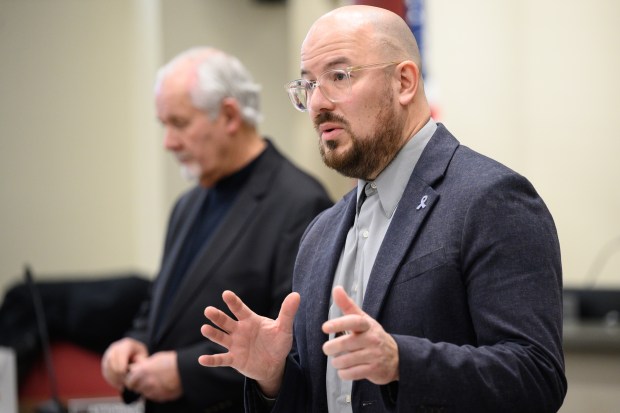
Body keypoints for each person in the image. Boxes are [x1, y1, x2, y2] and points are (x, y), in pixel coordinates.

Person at [198, 5, 567, 413]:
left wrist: (400, 362)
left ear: (404, 81)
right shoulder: (320, 232)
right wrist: (274, 377)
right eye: (308, 84)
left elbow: (537, 377)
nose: (318, 103)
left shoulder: (491, 199)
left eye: (339, 76)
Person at [100, 47, 332, 413]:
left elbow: (290, 342)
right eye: (164, 125)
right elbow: (163, 303)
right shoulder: (188, 204)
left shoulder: (300, 203)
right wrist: (135, 341)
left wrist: (183, 372)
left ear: (228, 115)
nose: (169, 142)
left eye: (179, 123)